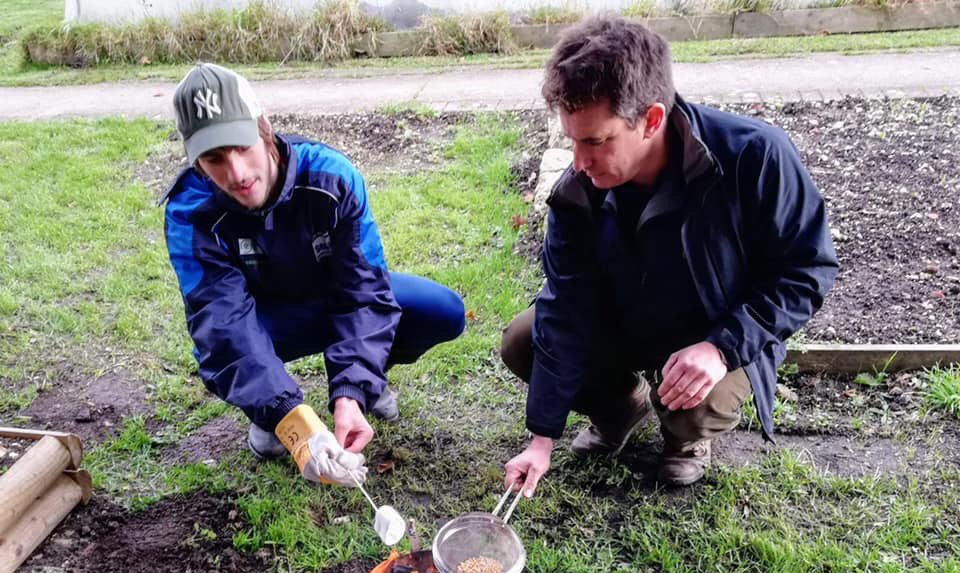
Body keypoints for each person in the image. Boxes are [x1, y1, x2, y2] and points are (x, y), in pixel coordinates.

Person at [501, 15, 837, 494]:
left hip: (713, 330)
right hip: (626, 321)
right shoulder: (577, 192)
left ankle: (685, 439)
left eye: (596, 141)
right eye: (572, 140)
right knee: (523, 340)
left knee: (700, 401)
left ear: (652, 119)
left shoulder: (754, 156)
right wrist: (542, 439)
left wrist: (723, 347)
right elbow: (566, 307)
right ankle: (621, 410)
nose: (580, 162)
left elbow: (806, 271)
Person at [164, 63, 465, 487]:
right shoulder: (190, 213)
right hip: (264, 320)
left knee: (440, 310)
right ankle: (268, 413)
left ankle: (365, 384)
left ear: (264, 128)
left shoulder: (332, 177)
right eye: (214, 158)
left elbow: (365, 289)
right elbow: (222, 323)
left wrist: (351, 392)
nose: (236, 173)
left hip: (332, 296)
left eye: (242, 146)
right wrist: (292, 418)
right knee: (223, 346)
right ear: (196, 161)